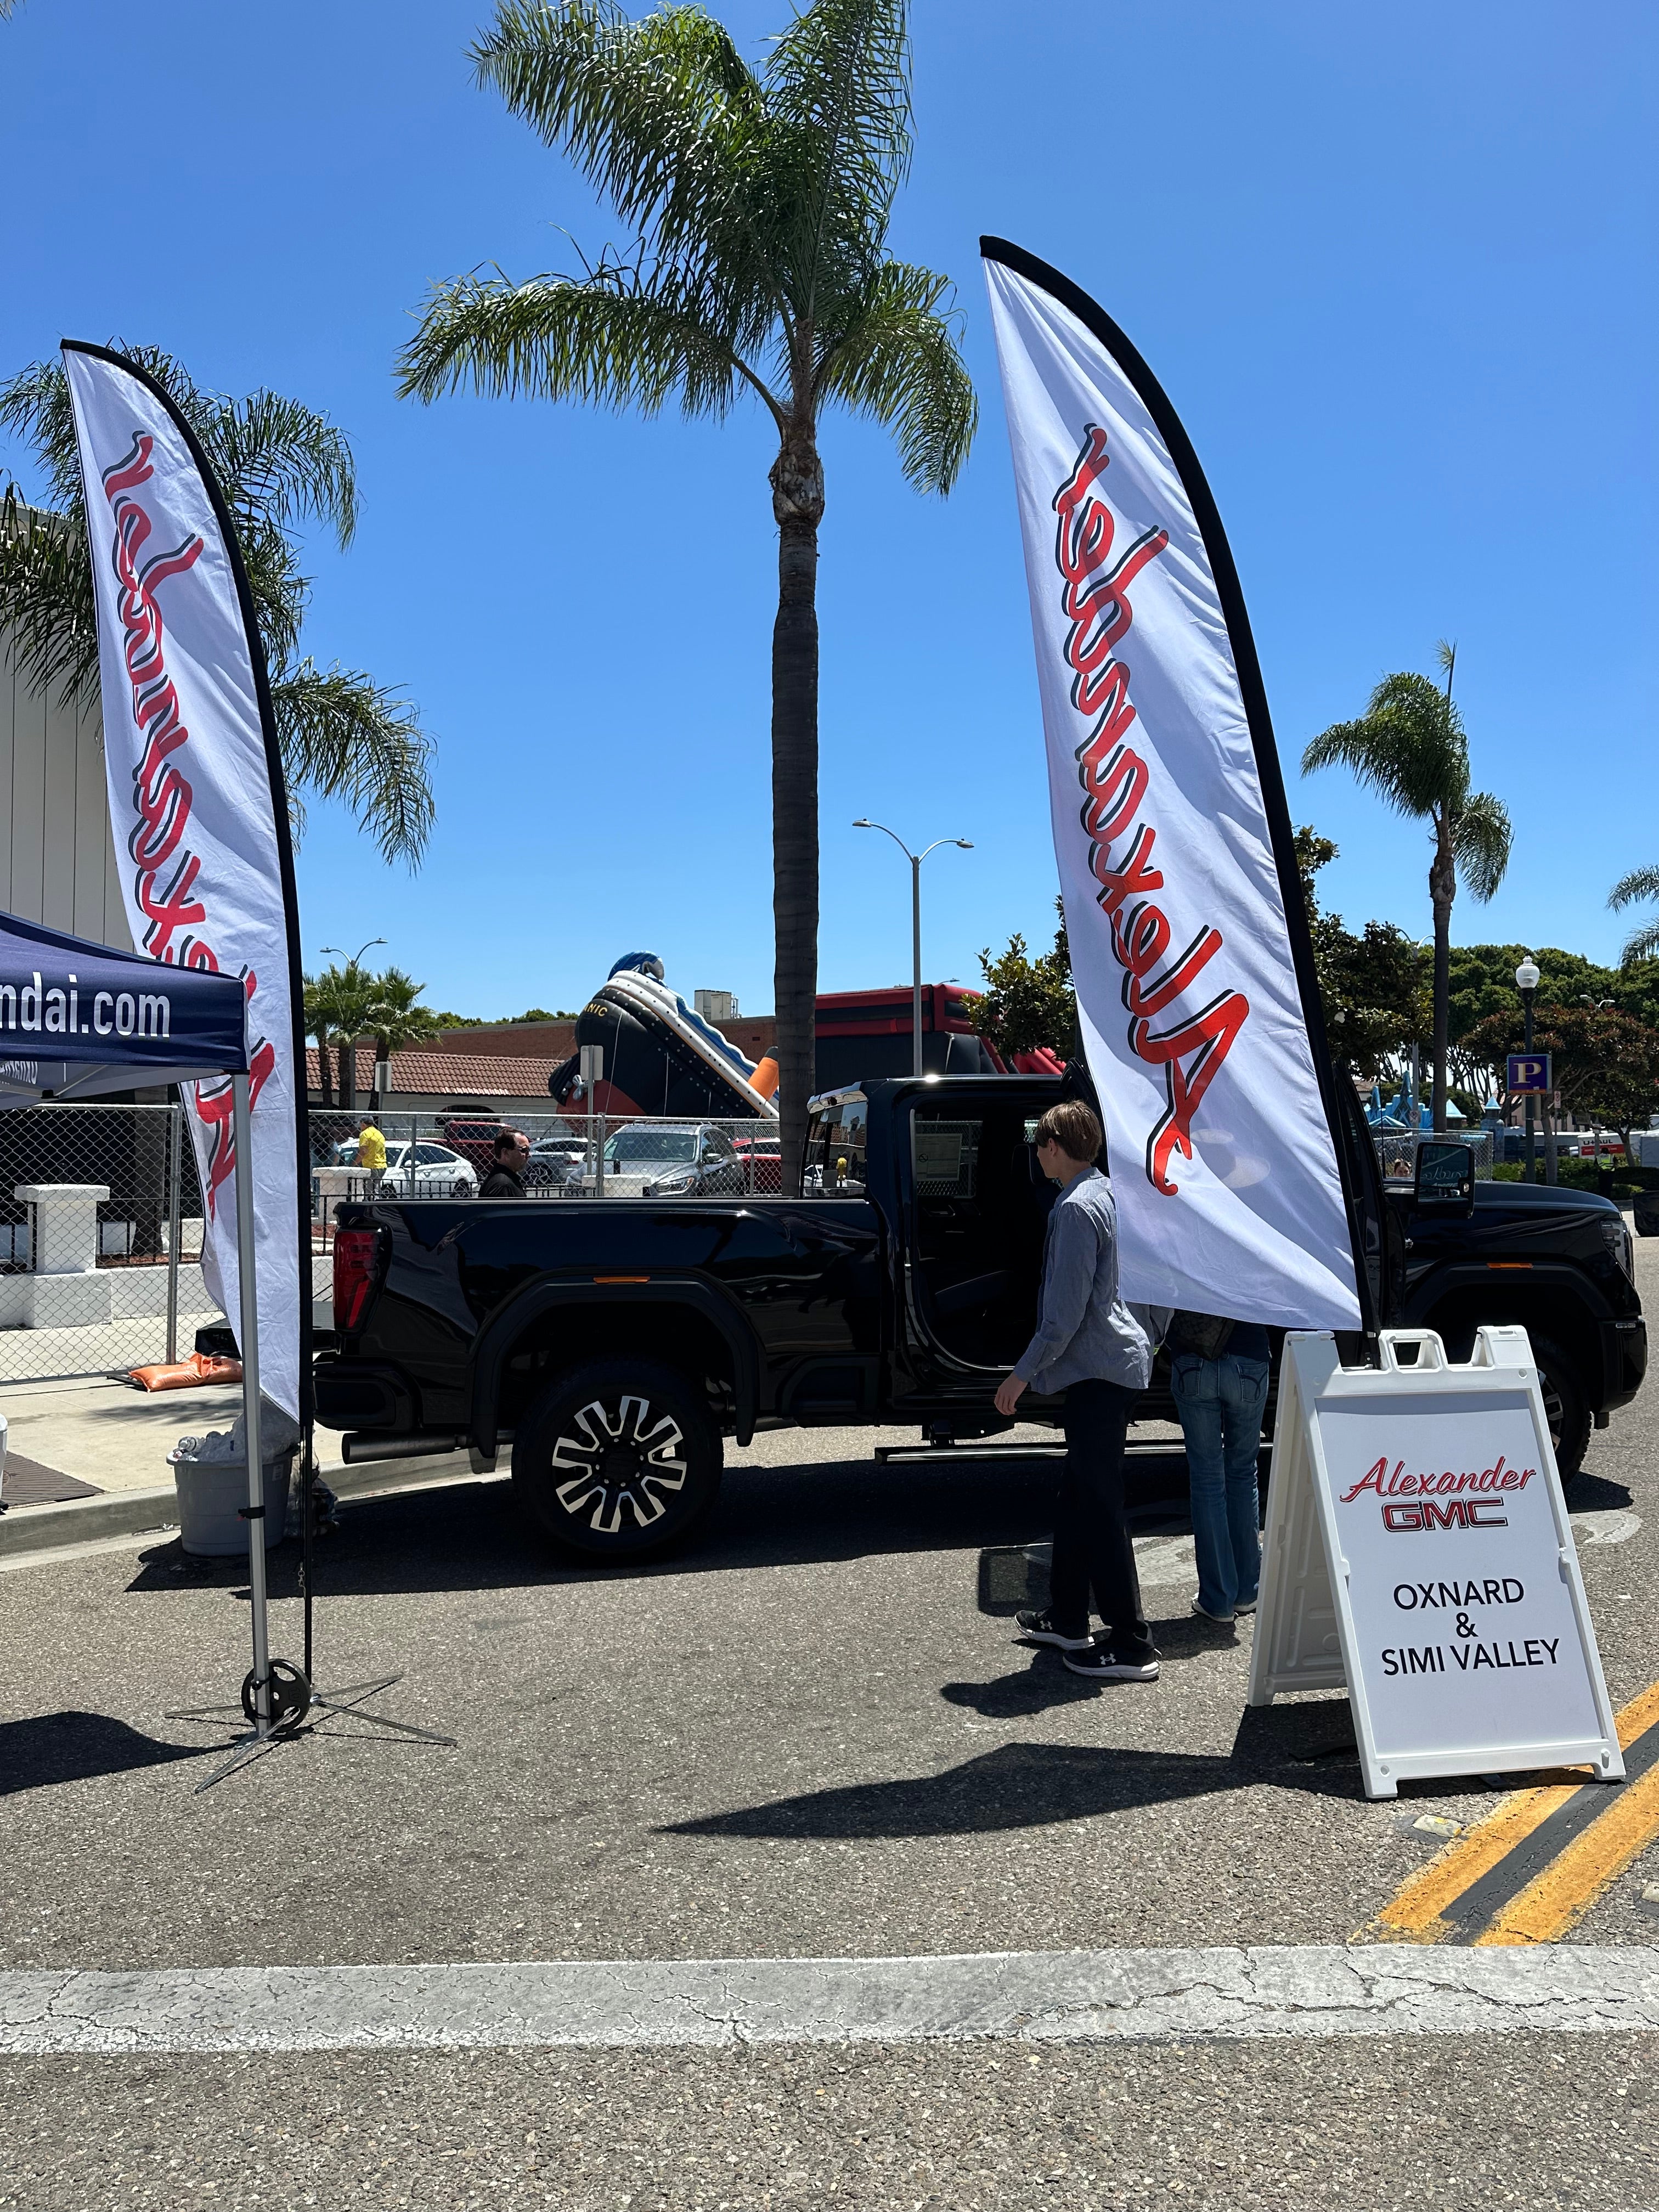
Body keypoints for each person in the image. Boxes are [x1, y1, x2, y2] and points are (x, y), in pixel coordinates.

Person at [993, 1098, 1158, 1683]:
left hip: (1098, 1371)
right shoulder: (1115, 1196)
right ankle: (1067, 1617)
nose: (1037, 1155)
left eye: (1040, 1145)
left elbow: (1063, 1316)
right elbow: (1153, 1282)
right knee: (1080, 1495)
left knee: (1101, 1504)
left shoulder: (1074, 1210)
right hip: (1117, 1365)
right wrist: (1147, 1339)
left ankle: (1132, 1643)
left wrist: (1021, 1375)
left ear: (1056, 1147)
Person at [1166, 1313, 1271, 1624]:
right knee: (1243, 1472)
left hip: (1193, 1353)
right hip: (1249, 1355)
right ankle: (1247, 1591)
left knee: (1207, 1478)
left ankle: (1218, 1599)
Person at [478, 1126, 530, 1197]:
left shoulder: (504, 1180)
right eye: (524, 1150)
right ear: (506, 1152)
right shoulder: (502, 1185)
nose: (529, 1155)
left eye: (529, 1150)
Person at [356, 1117, 386, 1195]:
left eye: (360, 1125)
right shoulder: (379, 1133)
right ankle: (376, 1201)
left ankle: (371, 1202)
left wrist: (354, 1163)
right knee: (376, 1189)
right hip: (382, 1166)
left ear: (363, 1124)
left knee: (369, 1192)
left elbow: (363, 1151)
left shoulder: (365, 1134)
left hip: (371, 1166)